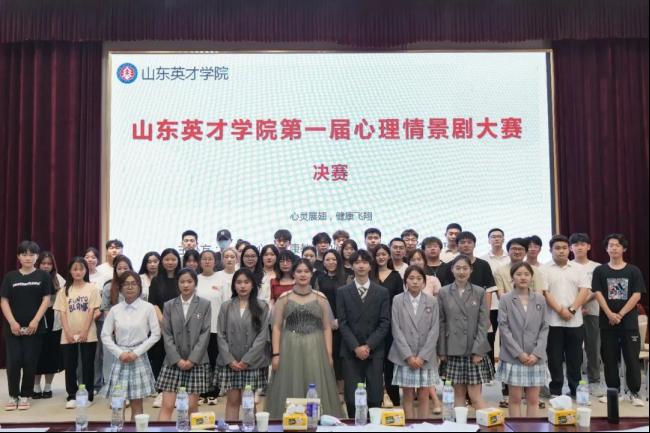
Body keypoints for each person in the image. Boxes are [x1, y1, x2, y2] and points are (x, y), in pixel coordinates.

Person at [266, 260, 344, 419]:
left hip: (315, 346)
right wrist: (276, 354)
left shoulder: (320, 298)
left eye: (306, 271)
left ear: (311, 274)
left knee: (315, 381)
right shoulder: (284, 298)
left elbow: (327, 327)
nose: (303, 275)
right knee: (290, 382)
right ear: (293, 274)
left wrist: (329, 354)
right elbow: (276, 327)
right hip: (289, 346)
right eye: (299, 271)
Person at [592, 234, 646, 407]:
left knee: (631, 358)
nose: (614, 248)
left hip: (628, 323)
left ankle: (634, 392)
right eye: (611, 245)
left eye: (617, 245)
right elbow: (598, 293)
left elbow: (636, 295)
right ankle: (612, 391)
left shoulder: (633, 271)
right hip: (607, 322)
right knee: (609, 358)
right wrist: (609, 314)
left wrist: (620, 315)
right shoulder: (600, 271)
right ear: (606, 249)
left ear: (624, 249)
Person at [337, 250, 390, 419]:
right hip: (350, 351)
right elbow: (342, 323)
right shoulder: (342, 291)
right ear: (351, 266)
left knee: (375, 397)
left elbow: (384, 323)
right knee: (352, 399)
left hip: (374, 351)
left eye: (365, 262)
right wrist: (356, 347)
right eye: (357, 262)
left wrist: (368, 346)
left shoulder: (382, 292)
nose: (361, 265)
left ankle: (374, 427)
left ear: (370, 266)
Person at [101, 271, 161, 420]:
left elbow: (156, 334)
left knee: (137, 404)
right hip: (120, 357)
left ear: (139, 287)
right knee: (118, 404)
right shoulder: (115, 310)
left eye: (133, 284)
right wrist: (119, 353)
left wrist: (136, 353)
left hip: (138, 357)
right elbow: (105, 335)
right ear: (120, 288)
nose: (130, 287)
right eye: (126, 284)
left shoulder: (147, 308)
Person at [1, 241, 52, 412]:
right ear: (18, 257)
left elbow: (46, 299)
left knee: (30, 361)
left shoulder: (43, 276)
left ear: (37, 257)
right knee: (13, 362)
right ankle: (13, 395)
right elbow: (4, 300)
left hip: (34, 327)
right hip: (13, 327)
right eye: (24, 254)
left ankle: (25, 395)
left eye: (31, 254)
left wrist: (35, 320)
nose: (28, 258)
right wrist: (12, 322)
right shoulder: (10, 277)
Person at [437, 255, 493, 410]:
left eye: (465, 268)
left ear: (471, 270)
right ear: (452, 269)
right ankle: (459, 423)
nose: (461, 272)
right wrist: (442, 350)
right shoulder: (443, 292)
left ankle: (485, 422)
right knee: (458, 395)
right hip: (452, 349)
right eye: (458, 268)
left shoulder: (479, 291)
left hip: (474, 348)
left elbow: (483, 323)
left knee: (475, 397)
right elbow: (441, 323)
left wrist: (479, 350)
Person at [157, 268, 212, 421]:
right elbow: (167, 334)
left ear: (195, 283)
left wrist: (192, 359)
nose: (186, 285)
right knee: (167, 405)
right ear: (177, 284)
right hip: (173, 361)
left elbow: (205, 334)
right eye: (182, 282)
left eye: (189, 281)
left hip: (196, 361)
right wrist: (177, 359)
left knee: (191, 406)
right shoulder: (169, 305)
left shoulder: (205, 304)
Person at [216, 268, 271, 420]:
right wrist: (230, 360)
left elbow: (262, 336)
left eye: (246, 282)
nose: (242, 286)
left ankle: (250, 428)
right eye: (239, 282)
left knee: (248, 402)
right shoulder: (226, 306)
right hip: (231, 362)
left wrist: (247, 360)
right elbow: (221, 334)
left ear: (253, 285)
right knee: (232, 401)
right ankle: (231, 428)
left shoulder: (262, 306)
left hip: (251, 362)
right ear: (234, 285)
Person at [496, 262, 549, 417]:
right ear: (512, 277)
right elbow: (504, 328)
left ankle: (531, 427)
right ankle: (516, 427)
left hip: (535, 357)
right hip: (514, 357)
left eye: (526, 274)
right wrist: (519, 353)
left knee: (533, 400)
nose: (523, 277)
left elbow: (545, 327)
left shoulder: (540, 298)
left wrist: (537, 353)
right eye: (518, 274)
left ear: (532, 277)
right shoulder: (506, 299)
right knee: (515, 399)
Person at [542, 235, 591, 398]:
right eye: (557, 248)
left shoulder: (579, 269)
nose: (561, 251)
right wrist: (560, 310)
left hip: (575, 322)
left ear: (569, 249)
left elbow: (584, 290)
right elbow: (545, 292)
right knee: (554, 358)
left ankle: (575, 389)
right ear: (550, 250)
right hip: (553, 321)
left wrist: (572, 310)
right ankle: (555, 390)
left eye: (564, 248)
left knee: (575, 358)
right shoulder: (544, 269)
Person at [389, 265, 440, 419]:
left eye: (419, 278)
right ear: (405, 281)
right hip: (405, 356)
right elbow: (396, 329)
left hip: (426, 356)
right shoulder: (398, 300)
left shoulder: (431, 301)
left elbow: (434, 330)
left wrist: (422, 356)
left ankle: (423, 426)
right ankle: (410, 426)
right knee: (408, 395)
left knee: (424, 395)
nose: (415, 282)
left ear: (424, 282)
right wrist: (409, 356)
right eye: (411, 278)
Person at [54, 257, 101, 409]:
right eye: (75, 269)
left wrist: (85, 331)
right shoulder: (64, 290)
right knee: (70, 365)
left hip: (88, 333)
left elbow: (92, 311)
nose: (78, 272)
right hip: (68, 334)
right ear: (70, 271)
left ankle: (88, 395)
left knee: (87, 365)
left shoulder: (92, 288)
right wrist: (68, 332)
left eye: (81, 269)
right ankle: (72, 395)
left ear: (86, 271)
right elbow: (62, 313)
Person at [569, 232, 603, 397]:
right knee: (572, 350)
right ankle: (574, 383)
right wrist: (575, 308)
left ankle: (594, 381)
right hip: (570, 313)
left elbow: (597, 290)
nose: (579, 247)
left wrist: (581, 303)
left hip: (592, 312)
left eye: (583, 244)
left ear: (588, 246)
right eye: (576, 244)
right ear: (571, 248)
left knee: (593, 348)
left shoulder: (597, 267)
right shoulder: (567, 266)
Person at [147, 248, 182, 408]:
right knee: (160, 356)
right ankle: (161, 391)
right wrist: (164, 322)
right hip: (161, 325)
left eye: (173, 259)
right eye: (167, 259)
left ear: (178, 261)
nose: (170, 262)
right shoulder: (156, 280)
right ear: (162, 261)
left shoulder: (183, 278)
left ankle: (179, 391)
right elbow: (154, 303)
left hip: (181, 325)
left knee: (178, 356)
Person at [371, 244, 403, 408]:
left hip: (391, 324)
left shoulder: (396, 276)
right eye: (378, 254)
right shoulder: (369, 275)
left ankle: (393, 398)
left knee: (390, 363)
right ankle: (376, 398)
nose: (381, 257)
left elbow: (399, 302)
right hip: (371, 325)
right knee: (374, 363)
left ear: (389, 256)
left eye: (384, 254)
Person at [197, 250, 229, 406]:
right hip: (198, 328)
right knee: (200, 360)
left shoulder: (221, 279)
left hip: (217, 326)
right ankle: (201, 391)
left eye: (210, 259)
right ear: (200, 262)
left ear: (215, 262)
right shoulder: (195, 279)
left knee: (214, 359)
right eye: (204, 259)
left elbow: (226, 303)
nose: (207, 261)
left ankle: (213, 392)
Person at [314, 250, 348, 394]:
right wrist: (326, 321)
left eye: (334, 259)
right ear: (323, 262)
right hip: (324, 324)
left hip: (344, 324)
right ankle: (327, 390)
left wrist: (341, 320)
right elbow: (316, 300)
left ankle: (341, 391)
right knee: (326, 356)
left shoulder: (347, 277)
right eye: (327, 259)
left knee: (341, 358)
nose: (331, 262)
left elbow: (350, 301)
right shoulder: (319, 278)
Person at [99, 255, 134, 391]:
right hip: (113, 330)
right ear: (115, 270)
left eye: (126, 268)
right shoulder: (109, 286)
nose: (122, 271)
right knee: (110, 359)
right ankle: (112, 387)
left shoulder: (136, 286)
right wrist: (113, 327)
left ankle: (130, 387)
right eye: (119, 268)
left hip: (132, 330)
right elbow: (106, 309)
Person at [33, 251, 65, 400]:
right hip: (36, 319)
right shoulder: (33, 277)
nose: (46, 266)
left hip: (54, 319)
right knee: (36, 354)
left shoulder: (59, 279)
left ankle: (48, 386)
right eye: (43, 263)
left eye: (49, 264)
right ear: (38, 264)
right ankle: (35, 386)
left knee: (51, 354)